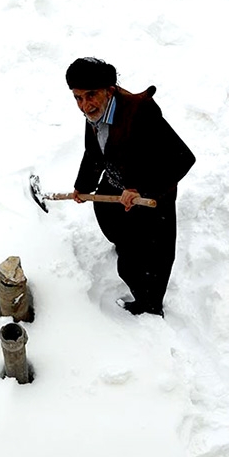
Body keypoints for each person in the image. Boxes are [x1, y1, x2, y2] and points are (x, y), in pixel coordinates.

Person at [66, 57, 195, 317]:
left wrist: (142, 189)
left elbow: (183, 159)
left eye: (90, 95)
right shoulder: (95, 111)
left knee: (149, 260)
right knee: (114, 228)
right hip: (117, 184)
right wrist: (84, 186)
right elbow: (94, 153)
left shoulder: (141, 113)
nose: (84, 105)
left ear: (109, 90)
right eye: (78, 98)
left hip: (152, 193)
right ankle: (126, 248)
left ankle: (149, 304)